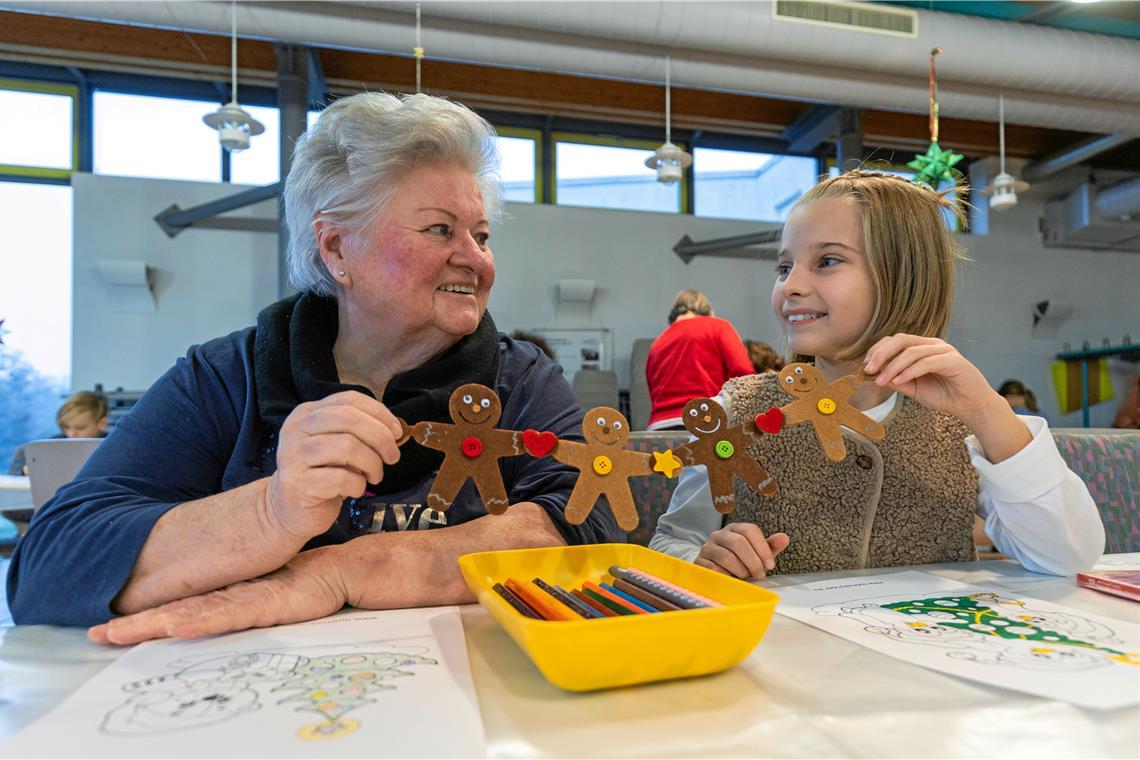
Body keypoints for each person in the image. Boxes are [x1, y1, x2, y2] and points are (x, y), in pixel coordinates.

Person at [8, 92, 620, 639]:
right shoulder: (228, 377)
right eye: (440, 229)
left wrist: (341, 570)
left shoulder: (520, 379)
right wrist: (270, 511)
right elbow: (53, 566)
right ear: (334, 248)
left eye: (481, 235)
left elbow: (591, 525)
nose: (477, 260)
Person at [650, 170, 1103, 578]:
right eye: (784, 267)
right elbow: (670, 542)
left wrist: (987, 410)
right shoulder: (737, 410)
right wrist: (702, 560)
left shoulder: (962, 426)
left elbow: (1067, 555)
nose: (791, 285)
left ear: (901, 276)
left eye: (826, 261)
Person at [645, 289, 754, 430]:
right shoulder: (718, 326)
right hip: (704, 421)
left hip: (658, 428)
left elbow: (652, 392)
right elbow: (743, 373)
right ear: (708, 311)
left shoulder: (656, 344)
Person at [7, 390, 109, 476]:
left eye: (80, 428)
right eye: (66, 427)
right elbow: (13, 476)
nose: (71, 434)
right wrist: (23, 471)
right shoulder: (50, 446)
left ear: (102, 423)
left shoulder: (115, 446)